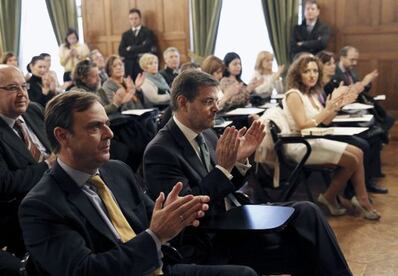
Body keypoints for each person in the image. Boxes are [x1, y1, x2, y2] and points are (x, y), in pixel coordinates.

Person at [18, 91, 257, 276]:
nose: (109, 134)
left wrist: (178, 217)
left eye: (107, 124)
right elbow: (85, 271)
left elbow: (157, 222)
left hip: (159, 266)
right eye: (95, 127)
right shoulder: (41, 205)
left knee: (245, 272)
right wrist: (154, 236)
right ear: (62, 136)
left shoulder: (117, 171)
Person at [143, 69, 353, 275]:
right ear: (182, 103)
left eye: (216, 101)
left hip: (236, 216)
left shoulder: (206, 133)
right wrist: (223, 168)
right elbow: (188, 213)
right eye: (208, 102)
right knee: (304, 246)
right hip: (213, 236)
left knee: (309, 212)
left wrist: (240, 160)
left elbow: (227, 185)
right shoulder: (160, 151)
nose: (217, 108)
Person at [283, 54, 380, 220]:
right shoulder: (294, 94)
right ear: (298, 74)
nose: (312, 75)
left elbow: (325, 121)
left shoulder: (311, 94)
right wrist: (327, 109)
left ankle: (335, 197)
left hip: (313, 140)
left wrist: (336, 106)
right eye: (306, 71)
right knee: (353, 159)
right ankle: (350, 199)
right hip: (299, 145)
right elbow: (302, 126)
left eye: (315, 71)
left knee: (358, 152)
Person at [0, 64, 55, 257]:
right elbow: (0, 184)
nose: (22, 93)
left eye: (24, 86)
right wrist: (48, 165)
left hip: (59, 185)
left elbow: (55, 146)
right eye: (13, 88)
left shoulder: (33, 110)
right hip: (24, 207)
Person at [317, 51, 387, 194]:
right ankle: (353, 190)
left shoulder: (333, 82)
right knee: (365, 141)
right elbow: (323, 114)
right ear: (320, 66)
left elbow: (335, 107)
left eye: (332, 63)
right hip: (324, 128)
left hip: (332, 121)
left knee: (373, 134)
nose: (332, 66)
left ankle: (365, 182)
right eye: (328, 64)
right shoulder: (322, 86)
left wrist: (344, 100)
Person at [70, 60, 136, 115]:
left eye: (99, 75)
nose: (99, 79)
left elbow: (110, 111)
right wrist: (115, 104)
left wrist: (120, 103)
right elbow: (93, 113)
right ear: (83, 79)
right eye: (94, 76)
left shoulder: (99, 90)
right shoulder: (79, 93)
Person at [118, 8, 157, 80]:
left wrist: (131, 48)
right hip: (129, 67)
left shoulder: (147, 32)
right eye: (131, 19)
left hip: (142, 67)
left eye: (136, 18)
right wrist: (139, 50)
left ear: (140, 19)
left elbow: (147, 48)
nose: (133, 21)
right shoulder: (125, 34)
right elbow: (121, 51)